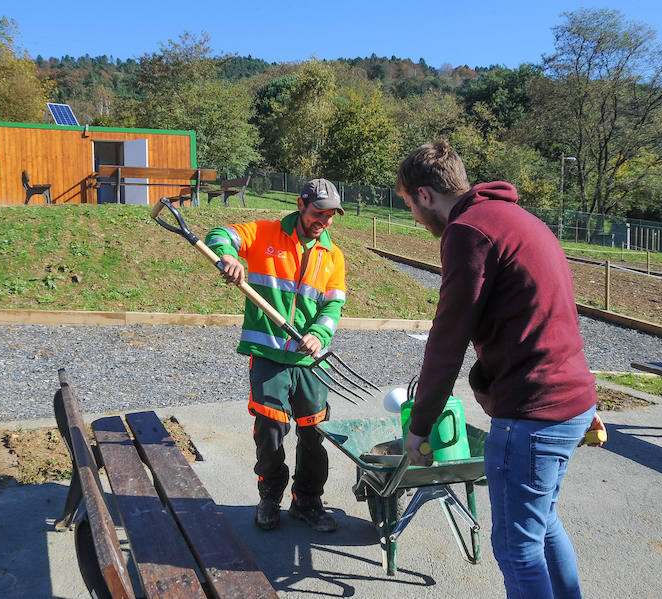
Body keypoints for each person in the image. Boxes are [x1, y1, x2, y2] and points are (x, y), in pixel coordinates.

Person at [396, 140, 606, 598]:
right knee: (543, 525)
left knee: (516, 548)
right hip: (571, 400)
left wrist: (420, 424)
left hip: (532, 412)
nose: (413, 215)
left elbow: (447, 338)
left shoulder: (469, 230)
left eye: (410, 204)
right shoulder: (519, 218)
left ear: (426, 195)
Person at [204, 178, 347, 532]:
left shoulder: (333, 256)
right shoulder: (265, 234)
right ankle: (270, 496)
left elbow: (333, 305)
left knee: (314, 434)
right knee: (270, 432)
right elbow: (220, 234)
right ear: (301, 205)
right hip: (268, 356)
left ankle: (308, 501)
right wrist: (226, 257)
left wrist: (318, 334)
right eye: (318, 213)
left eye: (331, 216)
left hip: (310, 360)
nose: (324, 222)